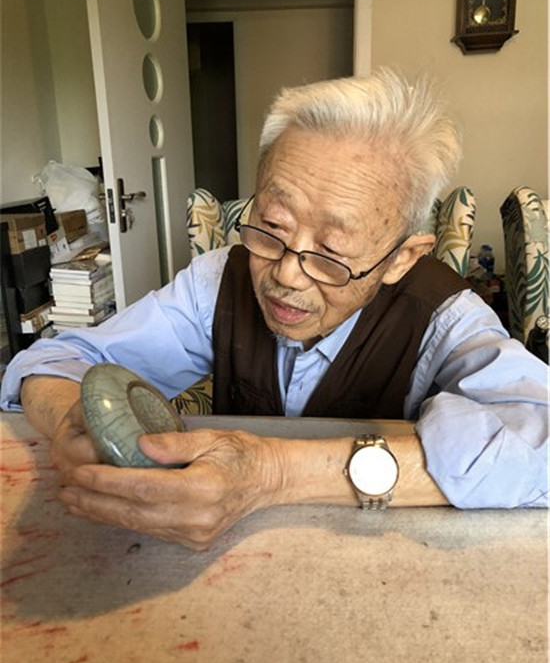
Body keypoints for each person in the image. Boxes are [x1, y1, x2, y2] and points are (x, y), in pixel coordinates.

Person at [1, 69, 547, 549]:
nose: (286, 275)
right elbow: (50, 361)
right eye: (272, 226)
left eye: (333, 251)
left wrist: (273, 473)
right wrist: (75, 422)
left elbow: (539, 443)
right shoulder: (219, 279)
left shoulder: (443, 314)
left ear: (401, 257)